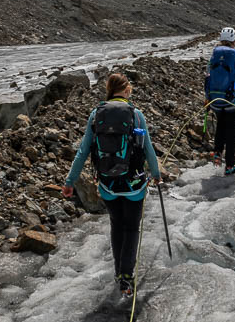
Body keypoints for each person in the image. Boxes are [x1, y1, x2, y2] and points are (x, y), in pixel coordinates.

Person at [62, 72, 161, 298]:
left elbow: (83, 151)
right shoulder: (136, 114)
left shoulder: (96, 114)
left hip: (107, 184)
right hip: (134, 184)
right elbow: (148, 149)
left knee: (117, 226)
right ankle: (127, 276)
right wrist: (156, 174)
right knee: (132, 227)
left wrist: (70, 182)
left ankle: (120, 274)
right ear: (126, 91)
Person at [204, 26, 235, 176]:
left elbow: (208, 75)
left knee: (220, 125)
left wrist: (207, 98)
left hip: (215, 99)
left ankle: (217, 152)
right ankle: (230, 165)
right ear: (234, 39)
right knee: (231, 131)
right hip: (232, 99)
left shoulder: (215, 53)